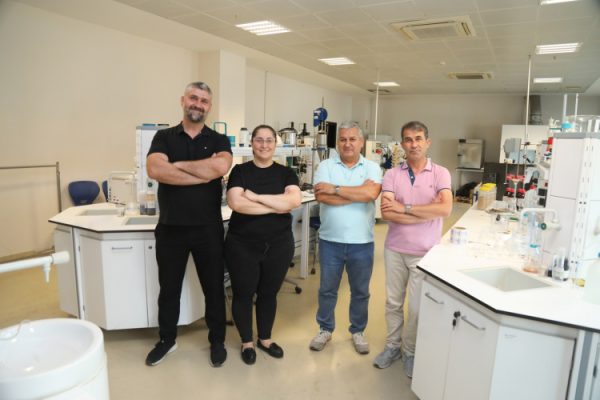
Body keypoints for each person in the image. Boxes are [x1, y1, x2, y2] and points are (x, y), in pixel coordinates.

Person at [145, 81, 233, 367]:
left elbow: (220, 167)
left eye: (204, 101)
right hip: (170, 228)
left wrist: (176, 166)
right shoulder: (164, 136)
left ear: (210, 106)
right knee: (169, 289)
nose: (198, 104)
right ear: (183, 100)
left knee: (213, 289)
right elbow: (155, 169)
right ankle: (166, 340)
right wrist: (202, 172)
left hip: (208, 229)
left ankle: (217, 341)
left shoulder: (219, 140)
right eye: (193, 98)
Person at [373, 121, 452, 378]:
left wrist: (404, 208)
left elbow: (445, 209)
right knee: (393, 302)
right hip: (395, 249)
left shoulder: (440, 173)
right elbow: (387, 212)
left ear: (427, 142)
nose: (413, 144)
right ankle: (392, 346)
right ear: (402, 144)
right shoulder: (392, 175)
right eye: (408, 139)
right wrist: (426, 212)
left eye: (418, 138)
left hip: (425, 252)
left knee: (417, 308)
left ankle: (410, 351)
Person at [224, 125, 302, 365]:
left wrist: (256, 197)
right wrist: (277, 206)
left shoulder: (286, 173)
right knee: (243, 293)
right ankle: (247, 342)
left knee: (269, 293)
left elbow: (294, 200)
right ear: (252, 143)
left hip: (278, 245)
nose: (264, 145)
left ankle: (265, 339)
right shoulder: (240, 171)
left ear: (275, 144)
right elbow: (237, 204)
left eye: (269, 140)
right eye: (259, 140)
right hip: (242, 244)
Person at [309, 121, 382, 355]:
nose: (347, 143)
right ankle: (325, 329)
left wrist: (336, 189)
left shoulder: (372, 167)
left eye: (352, 139)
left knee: (360, 291)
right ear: (337, 142)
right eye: (343, 139)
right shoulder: (325, 165)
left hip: (362, 242)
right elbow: (321, 196)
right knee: (327, 290)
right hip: (330, 240)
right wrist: (357, 193)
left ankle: (358, 331)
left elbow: (371, 193)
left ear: (361, 142)